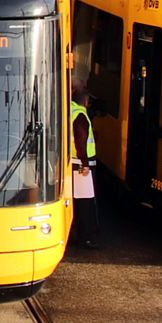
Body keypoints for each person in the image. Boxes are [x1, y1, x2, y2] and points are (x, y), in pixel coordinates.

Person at [70, 95, 98, 248]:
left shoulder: (69, 110)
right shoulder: (80, 115)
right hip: (81, 164)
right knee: (85, 202)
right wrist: (85, 163)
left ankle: (78, 234)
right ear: (85, 102)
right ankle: (85, 238)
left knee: (77, 201)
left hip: (73, 162)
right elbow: (81, 139)